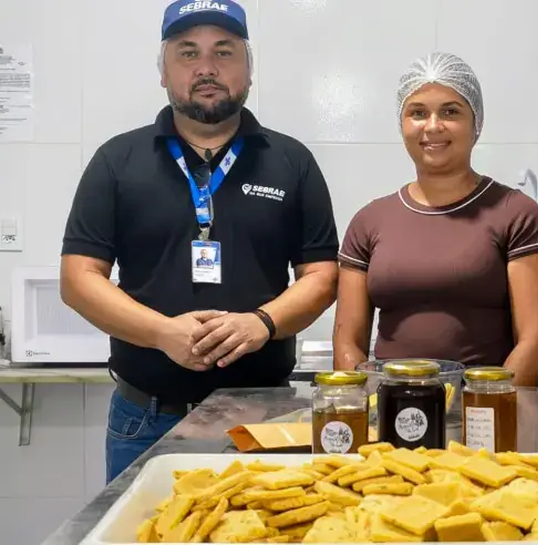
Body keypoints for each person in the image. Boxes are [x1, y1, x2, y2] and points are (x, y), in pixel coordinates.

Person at [60, 0, 339, 483]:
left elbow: (322, 276)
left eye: (224, 52)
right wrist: (161, 333)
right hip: (145, 419)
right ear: (163, 72)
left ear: (249, 70)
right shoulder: (116, 161)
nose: (206, 68)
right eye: (188, 53)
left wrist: (262, 323)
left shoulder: (291, 161)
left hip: (263, 417)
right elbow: (78, 279)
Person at [333, 52, 538, 386]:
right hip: (390, 406)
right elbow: (347, 342)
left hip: (484, 406)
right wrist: (366, 402)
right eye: (418, 113)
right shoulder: (370, 221)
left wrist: (485, 405)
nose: (433, 126)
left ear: (476, 123)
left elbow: (535, 344)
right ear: (401, 124)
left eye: (450, 112)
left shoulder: (516, 213)